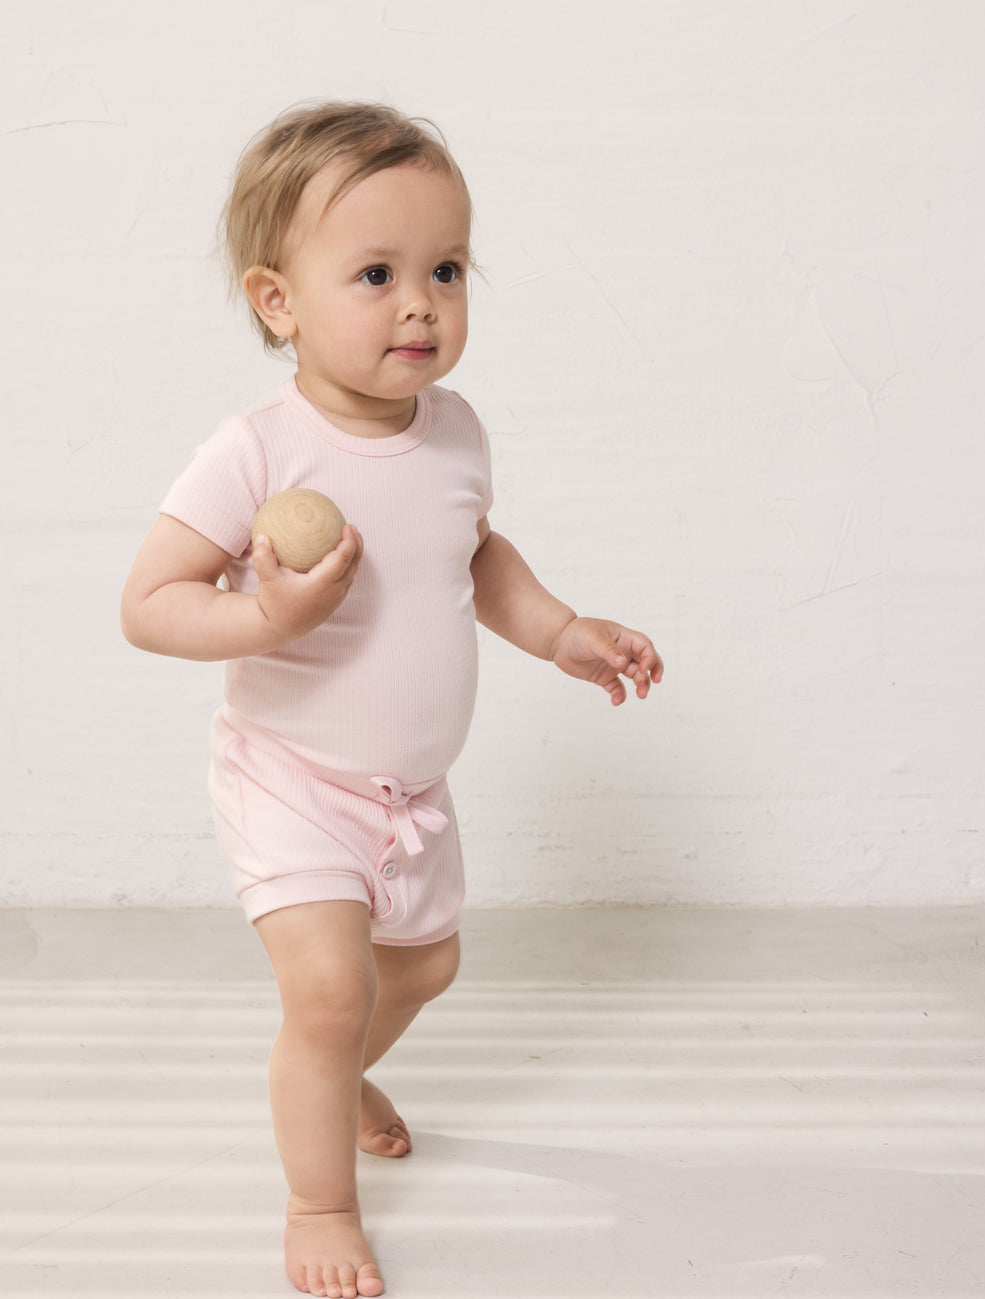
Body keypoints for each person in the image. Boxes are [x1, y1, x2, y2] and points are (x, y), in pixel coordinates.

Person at [120, 101, 663, 1299]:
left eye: (446, 269)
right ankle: (317, 1200)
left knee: (421, 971)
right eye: (375, 273)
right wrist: (265, 619)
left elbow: (474, 557)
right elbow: (151, 601)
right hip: (291, 778)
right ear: (279, 303)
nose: (421, 301)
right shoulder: (258, 450)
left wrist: (561, 630)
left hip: (410, 790)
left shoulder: (454, 431)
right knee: (328, 986)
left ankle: (335, 1068)